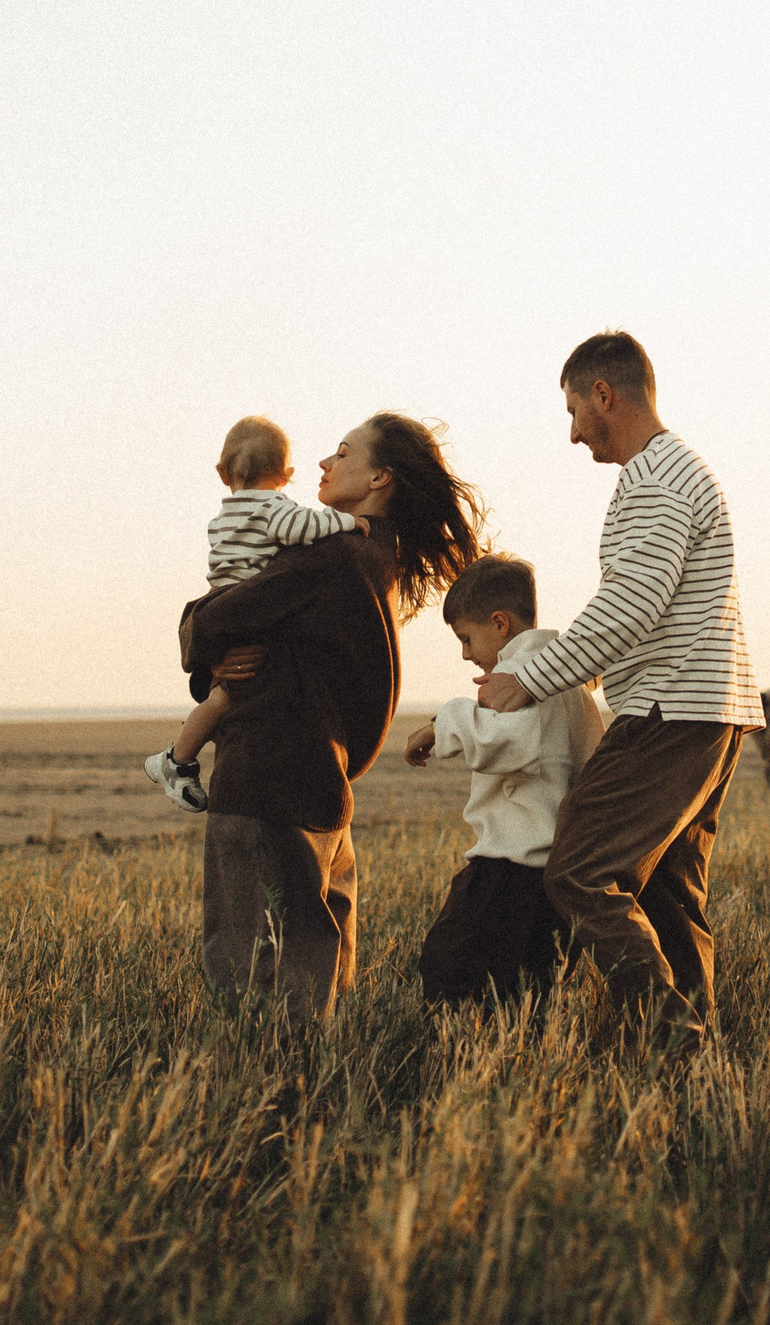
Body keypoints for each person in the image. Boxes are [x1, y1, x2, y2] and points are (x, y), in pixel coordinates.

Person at [474, 333, 759, 1049]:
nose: (572, 433)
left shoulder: (657, 477)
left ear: (605, 394)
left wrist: (530, 677)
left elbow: (634, 600)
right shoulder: (675, 470)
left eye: (574, 410)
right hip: (706, 707)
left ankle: (674, 1035)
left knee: (579, 872)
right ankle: (695, 1067)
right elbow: (650, 607)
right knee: (667, 891)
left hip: (670, 710)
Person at [182, 413, 482, 1024]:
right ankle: (311, 1100)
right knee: (318, 977)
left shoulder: (331, 557)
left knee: (254, 988)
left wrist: (200, 632)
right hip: (322, 782)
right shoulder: (375, 557)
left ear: (378, 476)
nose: (322, 463)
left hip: (267, 784)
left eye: (341, 454)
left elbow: (213, 621)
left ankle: (268, 1107)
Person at [404, 555, 606, 1007]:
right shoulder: (568, 680)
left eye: (466, 638)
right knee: (529, 985)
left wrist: (445, 723)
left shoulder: (521, 678)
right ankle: (519, 1059)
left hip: (511, 866)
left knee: (448, 966)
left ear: (500, 623)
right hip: (556, 864)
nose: (465, 654)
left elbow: (510, 743)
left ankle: (461, 1062)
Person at [144, 415, 366, 811]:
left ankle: (182, 753)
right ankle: (176, 759)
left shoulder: (222, 517)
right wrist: (348, 522)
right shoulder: (273, 507)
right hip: (244, 608)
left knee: (224, 695)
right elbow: (303, 527)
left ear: (221, 472)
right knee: (225, 699)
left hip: (223, 597)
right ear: (287, 474)